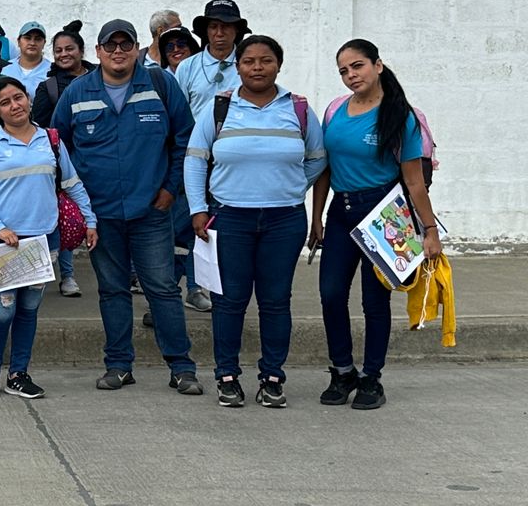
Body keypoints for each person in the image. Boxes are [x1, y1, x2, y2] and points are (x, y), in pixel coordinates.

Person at [51, 20, 203, 396]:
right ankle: (119, 366)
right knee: (112, 290)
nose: (118, 51)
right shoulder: (76, 92)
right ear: (98, 51)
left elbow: (185, 139)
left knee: (162, 289)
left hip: (151, 210)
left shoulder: (160, 85)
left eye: (125, 44)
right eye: (110, 45)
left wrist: (171, 189)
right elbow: (57, 147)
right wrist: (74, 201)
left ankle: (182, 368)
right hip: (100, 214)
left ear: (137, 49)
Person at [185, 36, 326, 408]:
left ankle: (273, 377)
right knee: (229, 301)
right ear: (238, 67)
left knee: (276, 301)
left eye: (266, 60)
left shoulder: (297, 108)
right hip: (230, 218)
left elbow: (317, 158)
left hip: (285, 221)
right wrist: (198, 208)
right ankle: (227, 376)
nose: (257, 67)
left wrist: (290, 187)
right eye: (249, 61)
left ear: (278, 65)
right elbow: (195, 158)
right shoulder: (220, 107)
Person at [310, 39, 443, 411]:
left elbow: (414, 181)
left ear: (378, 65)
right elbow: (325, 168)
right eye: (343, 71)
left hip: (384, 214)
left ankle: (371, 378)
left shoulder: (400, 116)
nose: (351, 75)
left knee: (374, 300)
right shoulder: (335, 110)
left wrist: (430, 232)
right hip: (340, 212)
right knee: (331, 294)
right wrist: (316, 216)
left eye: (358, 66)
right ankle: (342, 372)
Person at [0, 75, 98, 399]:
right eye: (5, 102)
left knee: (29, 309)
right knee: (1, 313)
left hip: (43, 242)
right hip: (2, 244)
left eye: (18, 97)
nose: (15, 106)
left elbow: (72, 184)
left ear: (27, 98)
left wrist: (90, 221)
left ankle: (18, 374)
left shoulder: (50, 141)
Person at [31, 20, 96, 298]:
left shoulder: (99, 78)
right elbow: (41, 128)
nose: (63, 54)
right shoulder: (48, 87)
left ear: (81, 50)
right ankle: (67, 276)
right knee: (64, 217)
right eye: (58, 50)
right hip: (63, 165)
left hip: (97, 161)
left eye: (69, 48)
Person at [150, 25, 207, 313]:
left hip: (205, 163)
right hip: (173, 166)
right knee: (173, 234)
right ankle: (165, 297)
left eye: (182, 44)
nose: (176, 50)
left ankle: (194, 288)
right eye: (169, 46)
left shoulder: (202, 74)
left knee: (198, 229)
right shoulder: (156, 81)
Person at [177, 0, 248, 122]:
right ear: (206, 30)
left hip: (239, 132)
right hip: (196, 133)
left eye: (226, 26)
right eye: (213, 27)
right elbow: (179, 112)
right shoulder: (187, 67)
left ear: (236, 29)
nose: (219, 33)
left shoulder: (248, 65)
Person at [1, 20, 49, 98]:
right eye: (27, 38)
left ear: (44, 43)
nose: (32, 43)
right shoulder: (5, 68)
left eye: (38, 39)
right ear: (18, 41)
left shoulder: (51, 71)